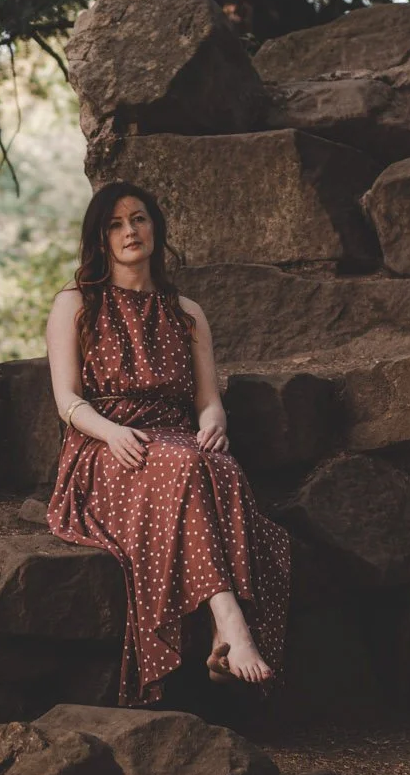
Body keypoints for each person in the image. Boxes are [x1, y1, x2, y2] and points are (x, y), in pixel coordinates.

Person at [45, 182, 290, 705]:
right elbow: (66, 399)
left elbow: (208, 399)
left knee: (222, 469)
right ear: (100, 239)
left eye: (138, 219)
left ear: (155, 227)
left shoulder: (187, 312)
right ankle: (231, 626)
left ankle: (226, 635)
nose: (129, 231)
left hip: (176, 440)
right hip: (106, 446)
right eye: (115, 224)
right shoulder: (75, 303)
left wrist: (216, 419)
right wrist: (110, 432)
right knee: (183, 467)